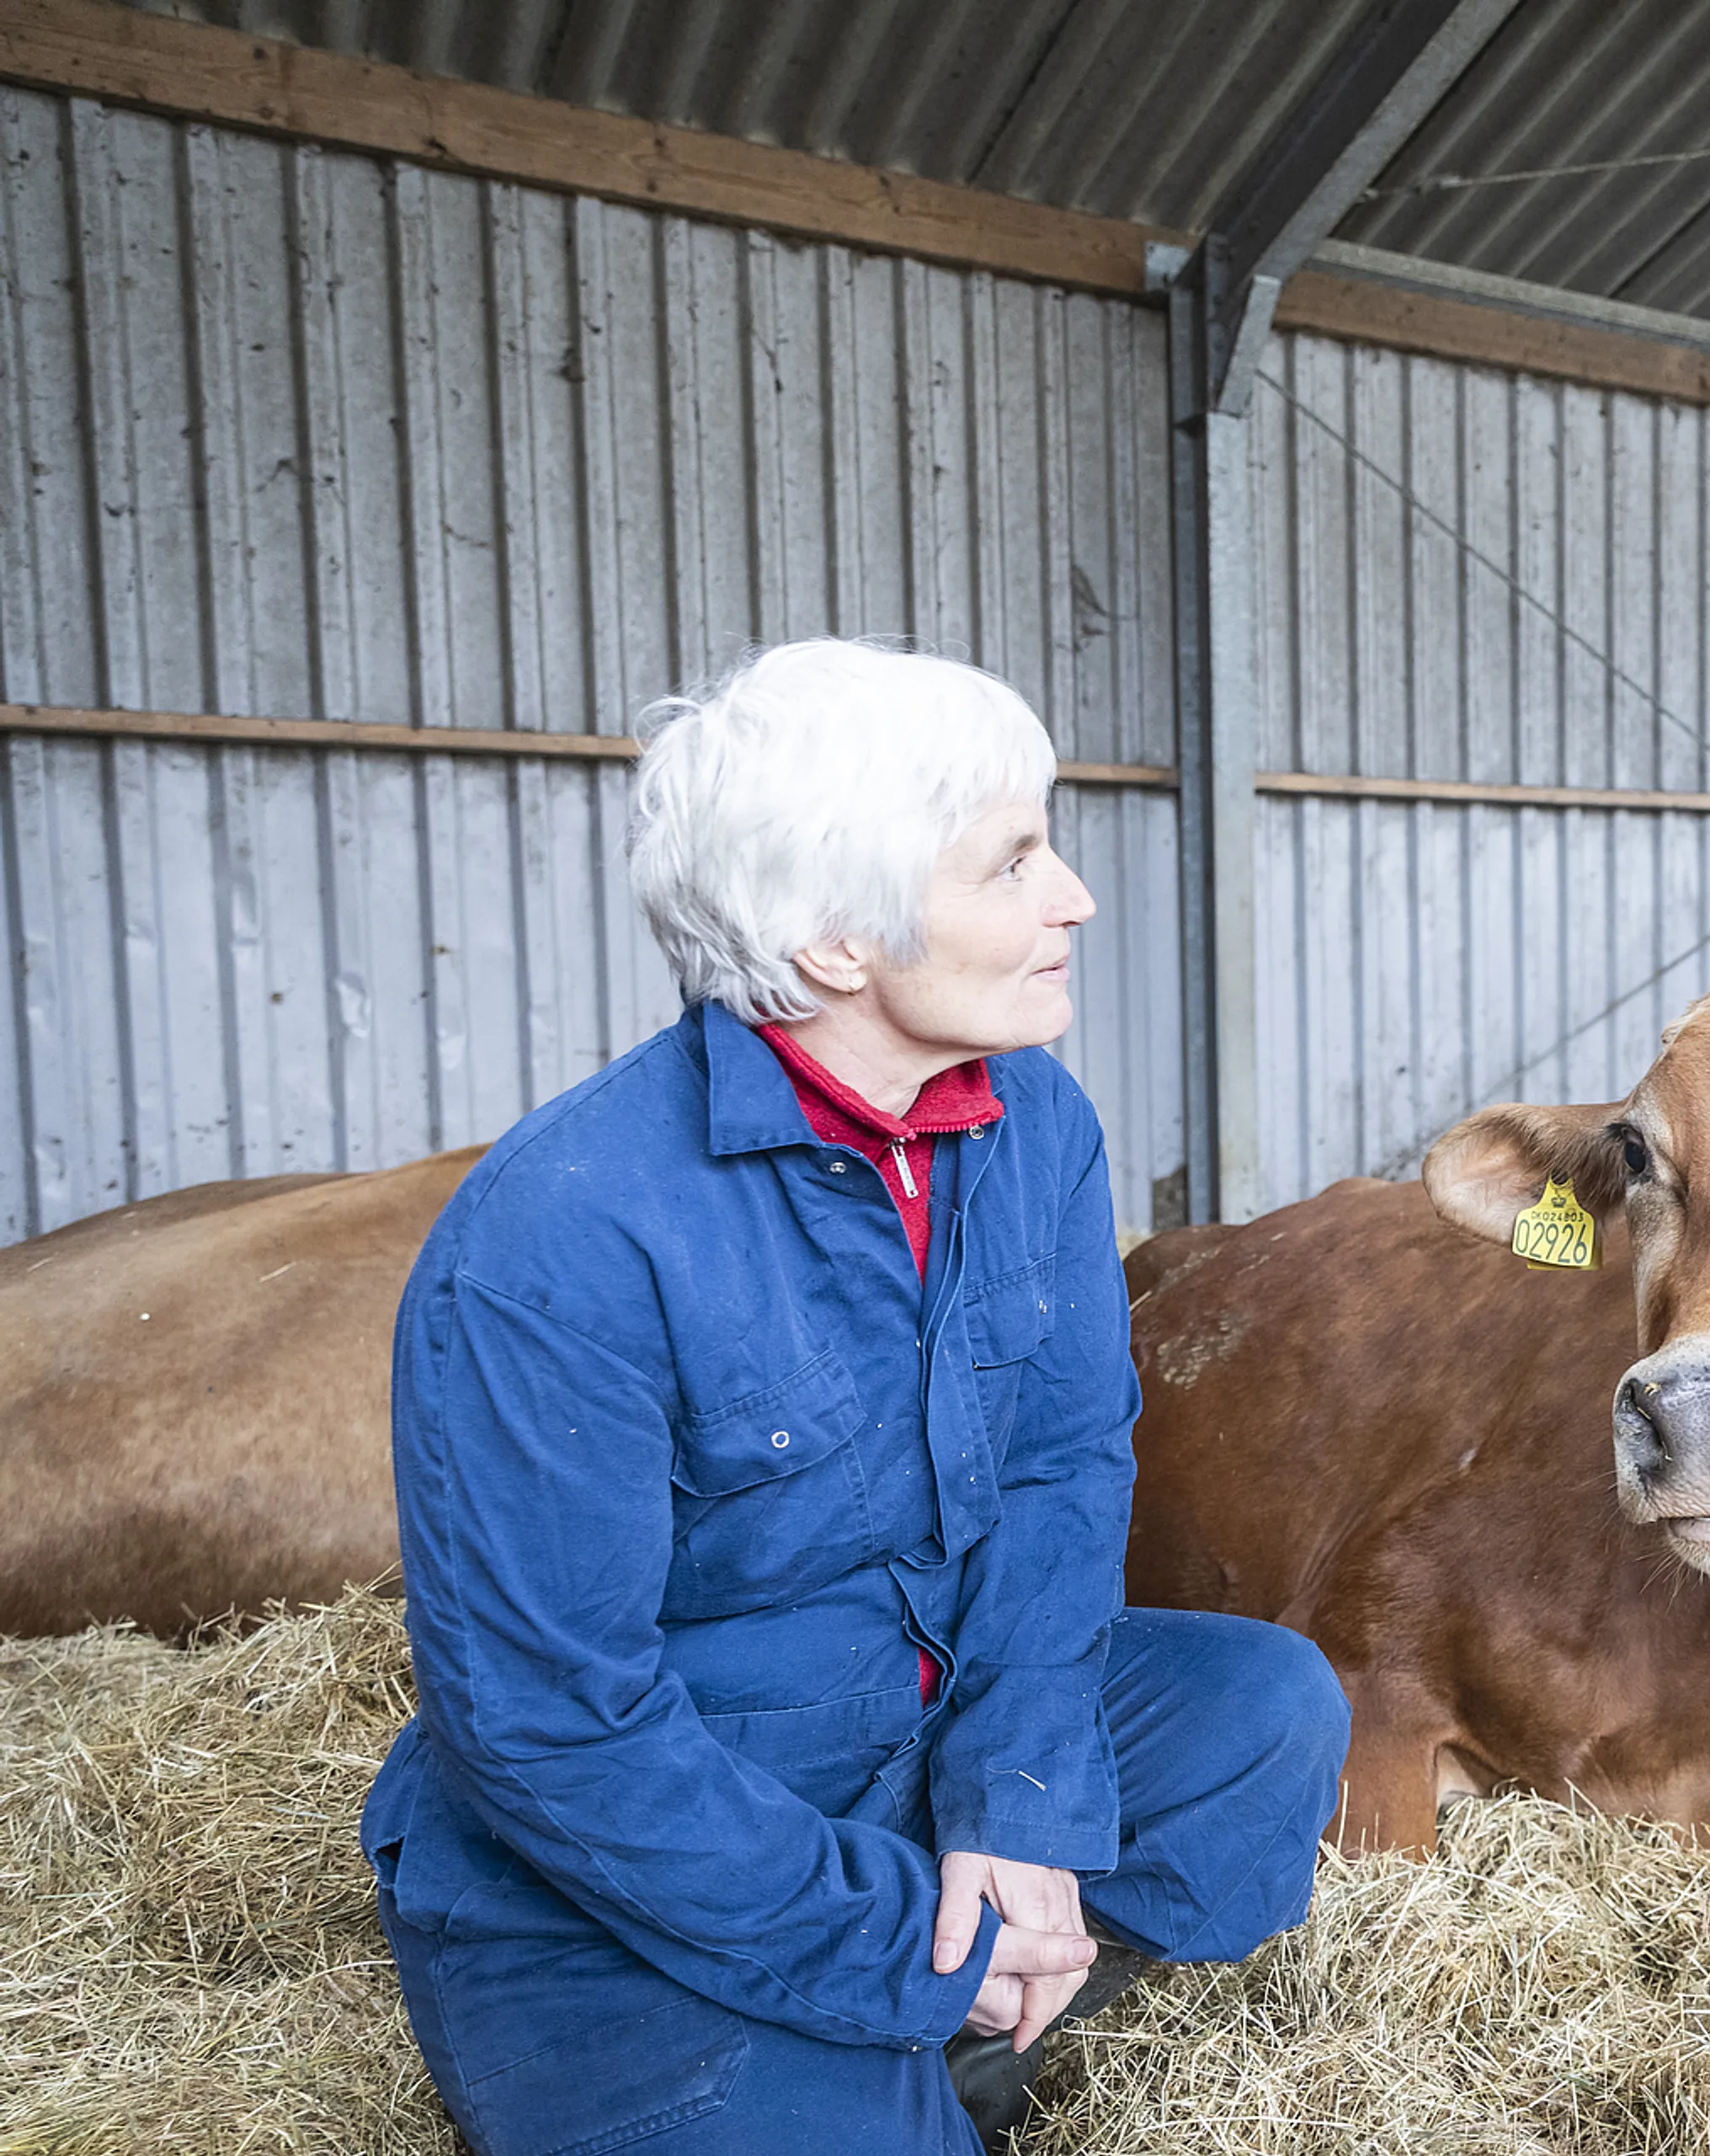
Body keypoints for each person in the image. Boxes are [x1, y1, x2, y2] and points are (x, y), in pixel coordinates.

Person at [361, 639, 1351, 2153]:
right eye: (1013, 862)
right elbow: (551, 1730)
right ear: (836, 942)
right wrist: (904, 1942)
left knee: (1266, 1713)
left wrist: (1015, 1802)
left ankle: (970, 2043)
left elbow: (1060, 1465)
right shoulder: (558, 1239)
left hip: (918, 1738)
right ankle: (899, 2028)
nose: (1072, 896)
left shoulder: (1034, 1125)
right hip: (637, 1859)